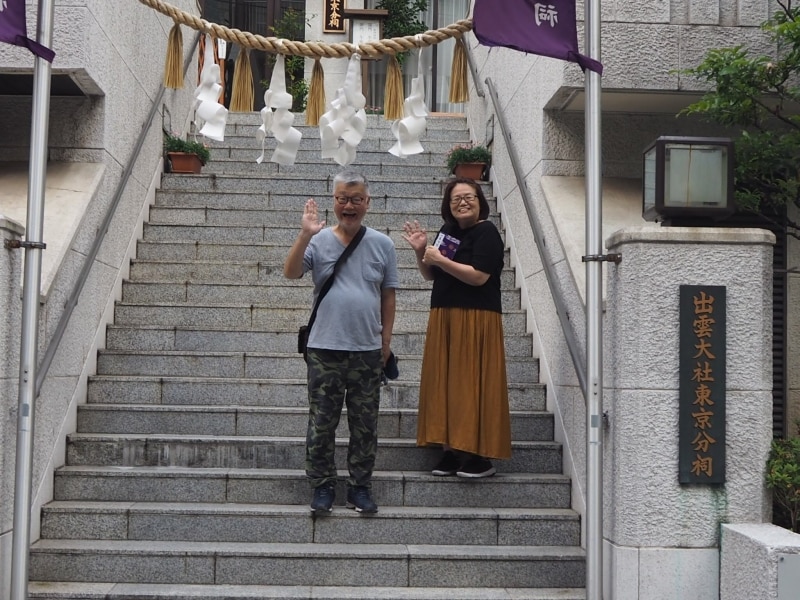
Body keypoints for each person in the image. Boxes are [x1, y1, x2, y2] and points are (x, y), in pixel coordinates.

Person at [284, 170, 398, 514]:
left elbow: (388, 295)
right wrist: (305, 234)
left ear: (367, 202)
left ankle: (360, 487)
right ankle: (322, 486)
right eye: (342, 199)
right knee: (322, 421)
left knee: (365, 425)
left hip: (367, 349)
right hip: (324, 348)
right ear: (334, 201)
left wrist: (386, 341)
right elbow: (291, 272)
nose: (349, 206)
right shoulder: (318, 240)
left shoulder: (383, 244)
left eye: (356, 199)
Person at [402, 177, 511, 478]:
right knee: (445, 383)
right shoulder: (447, 231)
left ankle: (478, 455)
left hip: (476, 318)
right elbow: (431, 274)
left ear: (480, 201)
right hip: (444, 315)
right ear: (448, 205)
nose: (463, 203)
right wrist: (421, 251)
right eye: (456, 199)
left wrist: (440, 260)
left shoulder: (487, 232)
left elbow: (478, 277)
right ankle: (449, 450)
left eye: (469, 197)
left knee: (471, 383)